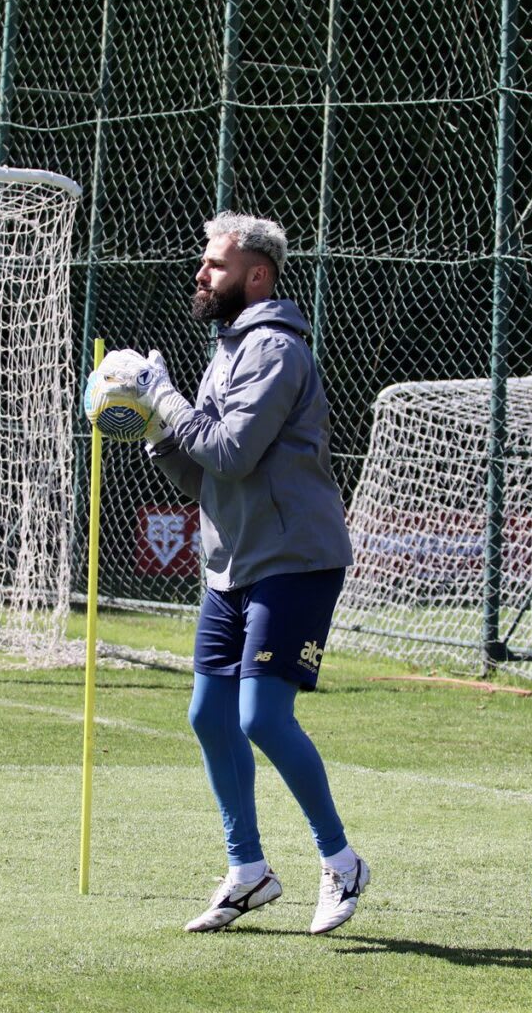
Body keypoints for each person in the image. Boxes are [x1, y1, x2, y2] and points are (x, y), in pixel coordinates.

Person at [87, 212, 369, 935]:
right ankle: (248, 872)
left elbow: (233, 450)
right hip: (230, 565)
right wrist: (153, 426)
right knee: (207, 715)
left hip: (295, 559)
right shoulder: (227, 352)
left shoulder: (274, 349)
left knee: (259, 717)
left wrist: (163, 392)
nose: (201, 273)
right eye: (204, 262)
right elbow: (205, 472)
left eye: (215, 264)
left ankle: (341, 862)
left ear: (257, 275)